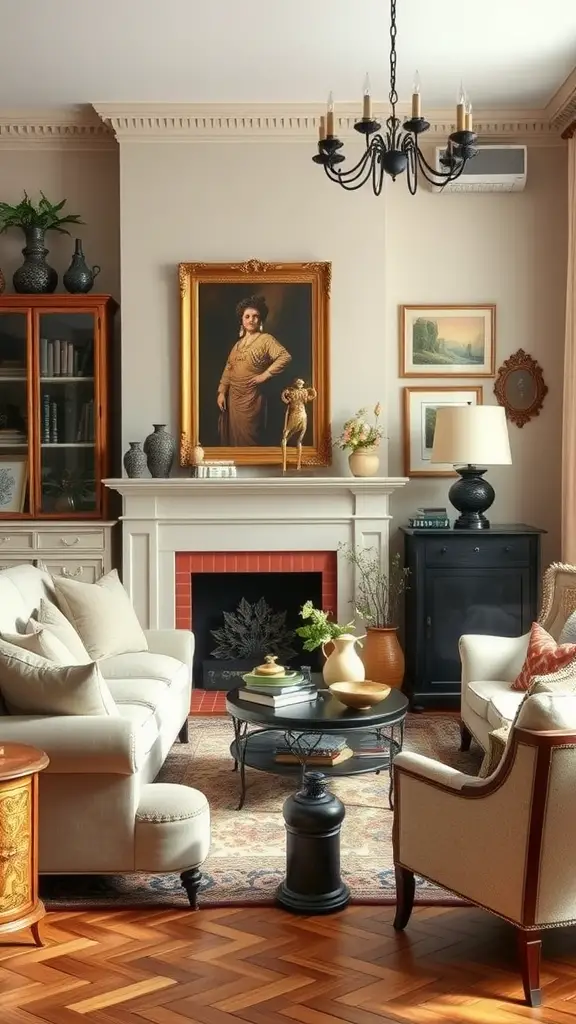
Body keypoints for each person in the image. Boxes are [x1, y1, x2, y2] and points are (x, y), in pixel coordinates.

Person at [217, 295, 292, 446]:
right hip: (233, 397)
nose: (251, 320)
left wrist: (265, 375)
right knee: (233, 439)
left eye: (255, 316)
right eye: (247, 316)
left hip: (252, 397)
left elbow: (285, 356)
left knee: (250, 438)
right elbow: (228, 368)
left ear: (261, 320)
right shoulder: (237, 345)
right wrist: (222, 392)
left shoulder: (266, 339)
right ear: (242, 320)